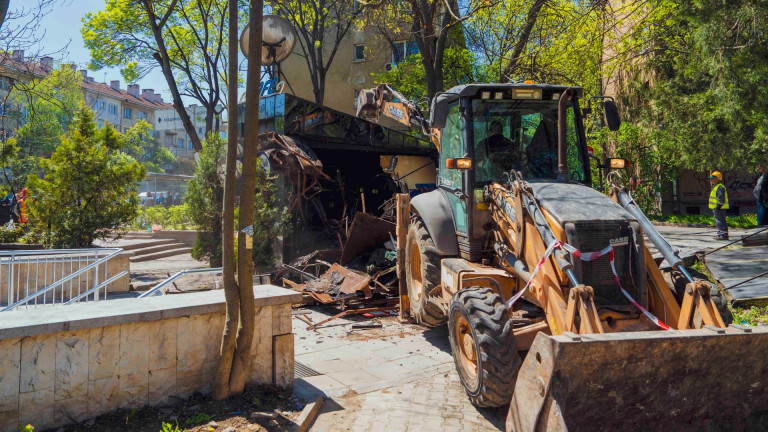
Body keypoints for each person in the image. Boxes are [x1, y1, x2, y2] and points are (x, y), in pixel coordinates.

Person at [709, 171, 729, 240]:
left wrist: (718, 207)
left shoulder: (720, 187)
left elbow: (721, 199)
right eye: (710, 178)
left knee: (720, 221)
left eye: (712, 178)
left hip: (720, 208)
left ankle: (723, 235)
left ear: (717, 179)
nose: (710, 180)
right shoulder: (716, 187)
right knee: (718, 221)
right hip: (717, 207)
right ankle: (720, 234)